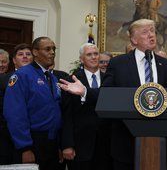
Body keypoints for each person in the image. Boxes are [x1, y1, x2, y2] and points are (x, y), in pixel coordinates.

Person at [59, 19, 167, 170]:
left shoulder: (165, 64)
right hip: (125, 142)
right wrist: (85, 91)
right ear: (133, 39)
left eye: (153, 31)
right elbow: (107, 94)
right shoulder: (118, 63)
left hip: (159, 142)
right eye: (145, 32)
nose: (151, 35)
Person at [3, 37, 62, 170]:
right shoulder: (22, 76)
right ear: (35, 52)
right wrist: (25, 148)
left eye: (54, 49)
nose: (52, 52)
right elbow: (15, 114)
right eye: (47, 49)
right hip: (32, 142)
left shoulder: (52, 77)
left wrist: (58, 145)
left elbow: (55, 110)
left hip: (52, 143)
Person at [61, 43, 112, 170]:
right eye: (89, 54)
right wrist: (67, 144)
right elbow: (66, 115)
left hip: (107, 145)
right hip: (80, 145)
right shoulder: (71, 80)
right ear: (81, 59)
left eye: (96, 54)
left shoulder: (110, 79)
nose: (94, 57)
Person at [0, 43, 33, 164]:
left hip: (35, 137)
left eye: (28, 54)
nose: (25, 57)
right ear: (14, 60)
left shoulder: (41, 79)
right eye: (20, 54)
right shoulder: (4, 79)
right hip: (8, 138)